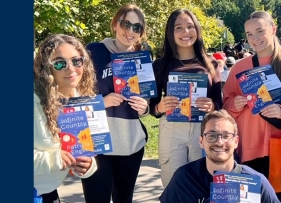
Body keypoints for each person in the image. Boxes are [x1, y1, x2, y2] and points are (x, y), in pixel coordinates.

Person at [222, 11, 281, 202]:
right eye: (249, 34)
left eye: (259, 31)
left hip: (278, 149)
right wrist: (234, 104)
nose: (254, 38)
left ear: (273, 29)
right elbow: (225, 107)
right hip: (245, 149)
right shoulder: (239, 67)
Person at [80, 4, 149, 203]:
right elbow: (74, 93)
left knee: (123, 199)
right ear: (115, 25)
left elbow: (147, 104)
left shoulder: (142, 58)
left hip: (130, 143)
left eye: (137, 27)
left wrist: (144, 108)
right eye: (125, 24)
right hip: (97, 143)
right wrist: (101, 102)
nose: (130, 31)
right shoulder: (93, 52)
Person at [149, 8, 222, 187]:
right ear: (170, 33)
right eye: (178, 28)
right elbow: (152, 106)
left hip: (202, 129)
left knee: (202, 184)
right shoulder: (159, 65)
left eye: (190, 26)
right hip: (172, 129)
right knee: (173, 185)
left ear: (197, 29)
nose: (185, 32)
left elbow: (219, 102)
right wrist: (160, 106)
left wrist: (212, 105)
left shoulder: (210, 63)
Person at [159, 110, 280, 203]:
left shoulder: (257, 182)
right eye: (212, 136)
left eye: (226, 136)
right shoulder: (184, 178)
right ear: (201, 141)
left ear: (236, 141)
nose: (220, 142)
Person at [34, 34, 98, 203]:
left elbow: (83, 152)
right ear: (46, 68)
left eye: (76, 61)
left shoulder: (79, 100)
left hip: (48, 192)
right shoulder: (33, 101)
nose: (71, 69)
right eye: (60, 63)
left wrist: (87, 165)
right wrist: (55, 159)